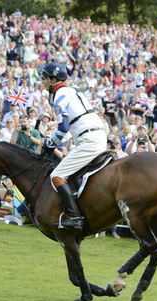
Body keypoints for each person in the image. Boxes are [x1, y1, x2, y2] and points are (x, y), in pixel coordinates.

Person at [41, 62, 107, 229]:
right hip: (97, 135)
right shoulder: (72, 92)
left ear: (53, 79)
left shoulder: (60, 94)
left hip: (89, 140)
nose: (42, 81)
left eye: (44, 78)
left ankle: (74, 216)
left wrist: (50, 144)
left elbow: (63, 127)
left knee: (56, 176)